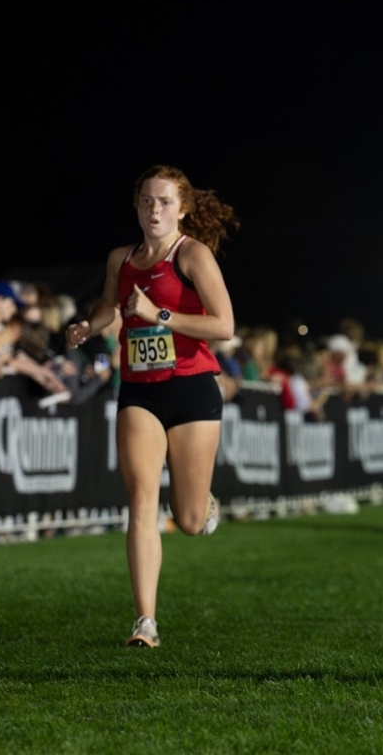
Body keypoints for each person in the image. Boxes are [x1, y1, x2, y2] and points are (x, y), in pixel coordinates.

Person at [67, 165, 239, 648]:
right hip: (139, 390)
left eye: (164, 202)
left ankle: (203, 505)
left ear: (182, 209)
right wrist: (89, 325)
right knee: (141, 499)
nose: (154, 210)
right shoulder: (121, 259)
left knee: (186, 521)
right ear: (137, 207)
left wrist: (158, 314)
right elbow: (109, 304)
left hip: (191, 387)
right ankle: (146, 622)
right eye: (146, 201)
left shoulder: (193, 255)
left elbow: (224, 325)